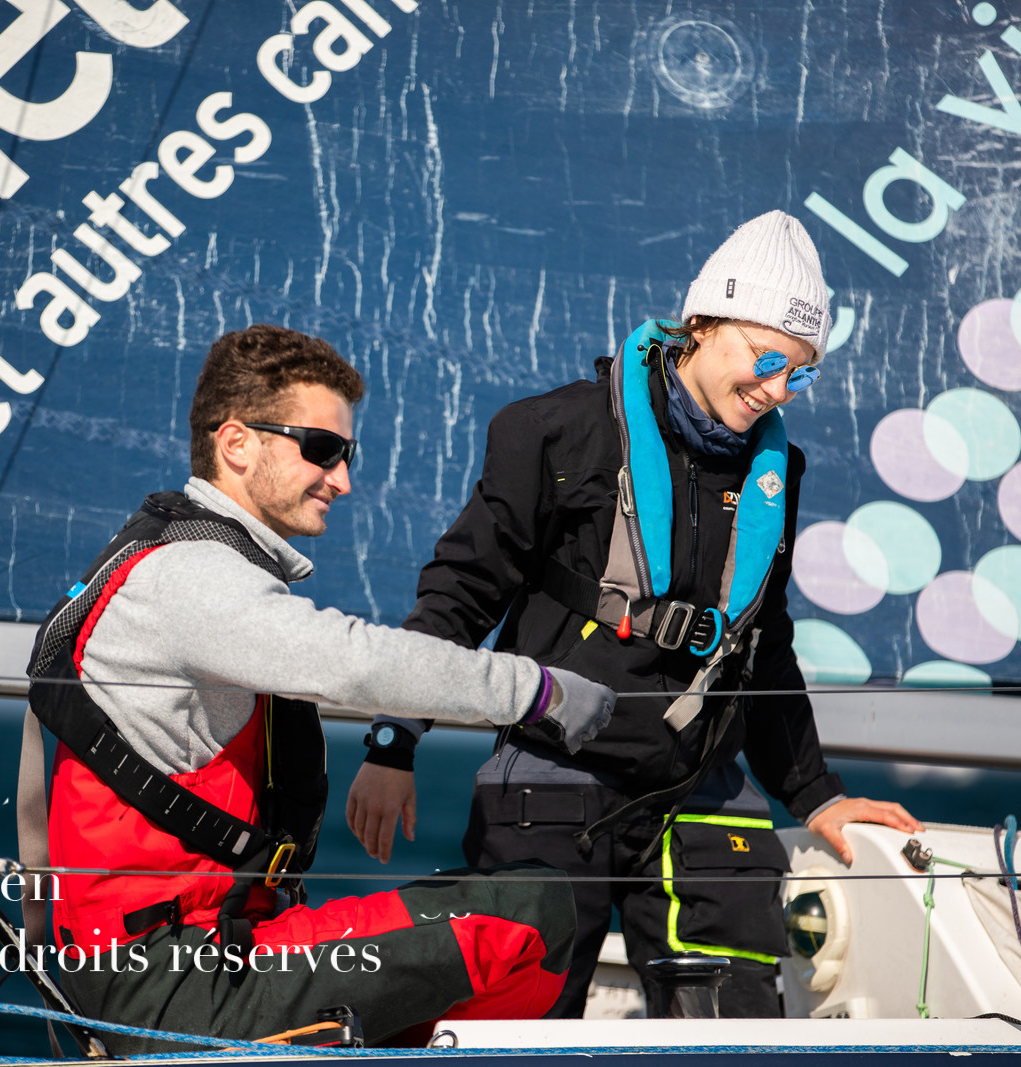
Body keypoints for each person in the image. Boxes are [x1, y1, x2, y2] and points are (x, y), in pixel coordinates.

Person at [345, 212, 923, 1018]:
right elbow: (463, 591)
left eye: (799, 374)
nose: (775, 389)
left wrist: (817, 794)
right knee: (524, 1025)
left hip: (700, 786)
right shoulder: (555, 431)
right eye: (765, 359)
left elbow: (764, 643)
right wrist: (394, 741)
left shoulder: (777, 471)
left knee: (736, 1033)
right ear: (702, 323)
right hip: (552, 773)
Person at [24, 324, 617, 1051]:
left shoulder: (173, 553)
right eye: (322, 449)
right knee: (531, 912)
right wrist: (539, 690)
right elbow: (354, 662)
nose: (342, 480)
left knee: (508, 905)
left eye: (347, 454)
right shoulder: (191, 577)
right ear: (236, 444)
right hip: (175, 978)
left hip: (189, 953)